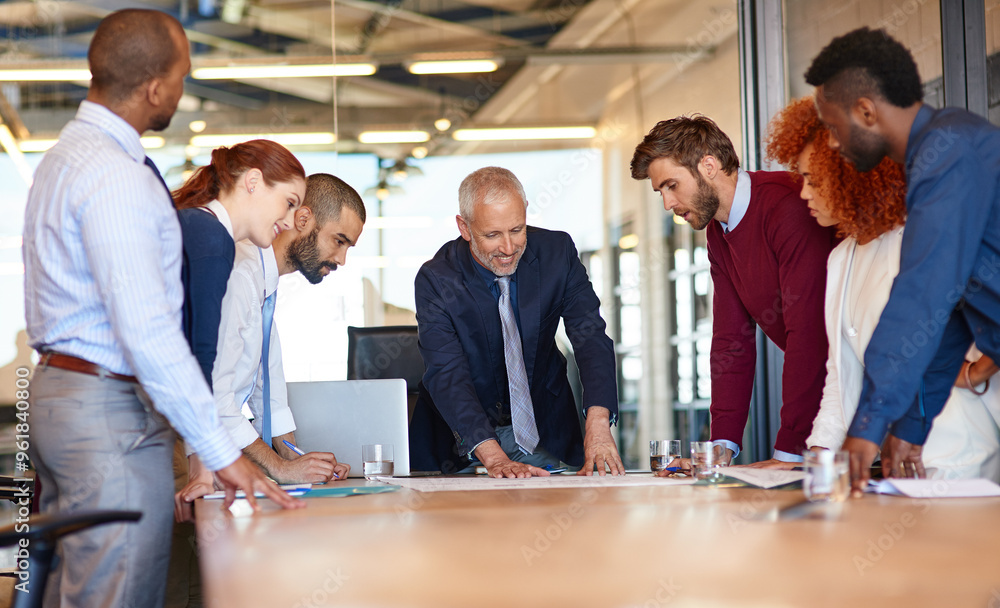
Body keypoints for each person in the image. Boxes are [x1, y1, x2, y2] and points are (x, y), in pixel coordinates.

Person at [21, 9, 300, 608]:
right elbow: (147, 329)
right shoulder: (113, 175)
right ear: (155, 87)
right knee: (116, 595)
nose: (182, 88)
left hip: (68, 399)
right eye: (181, 75)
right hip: (105, 414)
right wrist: (222, 455)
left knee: (79, 592)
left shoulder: (68, 157)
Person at [805, 27, 1000, 493]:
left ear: (866, 111)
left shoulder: (948, 150)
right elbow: (953, 313)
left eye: (832, 128)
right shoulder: (941, 151)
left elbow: (921, 296)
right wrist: (912, 426)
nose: (832, 143)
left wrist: (867, 428)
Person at [631, 116, 836, 468]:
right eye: (660, 192)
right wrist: (721, 445)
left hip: (856, 389)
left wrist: (789, 453)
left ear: (708, 166)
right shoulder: (718, 233)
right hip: (834, 392)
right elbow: (731, 341)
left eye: (671, 185)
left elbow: (810, 336)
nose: (667, 203)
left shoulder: (787, 206)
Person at [411, 167, 623, 477]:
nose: (509, 249)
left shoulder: (557, 254)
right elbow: (447, 373)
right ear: (465, 228)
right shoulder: (438, 279)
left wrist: (599, 423)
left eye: (516, 229)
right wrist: (494, 457)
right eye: (492, 235)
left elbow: (590, 337)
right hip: (463, 444)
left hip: (544, 432)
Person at [175, 173, 366, 517]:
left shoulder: (265, 283)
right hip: (187, 448)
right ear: (303, 220)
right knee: (193, 562)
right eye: (339, 241)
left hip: (210, 445)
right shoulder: (238, 274)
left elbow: (270, 394)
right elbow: (216, 397)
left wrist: (300, 461)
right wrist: (281, 469)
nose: (341, 260)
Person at [174, 139, 306, 384]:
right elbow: (200, 360)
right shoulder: (212, 239)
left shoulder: (198, 225)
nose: (289, 222)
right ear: (253, 181)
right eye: (289, 203)